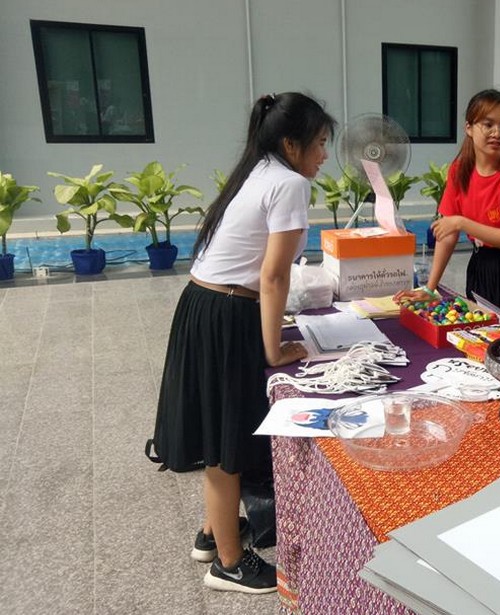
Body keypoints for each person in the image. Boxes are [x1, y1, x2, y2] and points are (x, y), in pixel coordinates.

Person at [152, 92, 336, 593]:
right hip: (227, 312)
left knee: (220, 424)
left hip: (204, 304)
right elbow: (273, 276)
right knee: (226, 439)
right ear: (292, 144)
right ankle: (229, 565)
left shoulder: (255, 171)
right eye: (320, 143)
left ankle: (214, 532)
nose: (324, 155)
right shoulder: (290, 183)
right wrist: (273, 350)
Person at [394, 89, 500, 325]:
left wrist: (462, 223)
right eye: (488, 124)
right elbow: (448, 234)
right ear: (469, 127)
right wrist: (430, 288)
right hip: (481, 267)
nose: (498, 133)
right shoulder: (459, 170)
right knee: (479, 335)